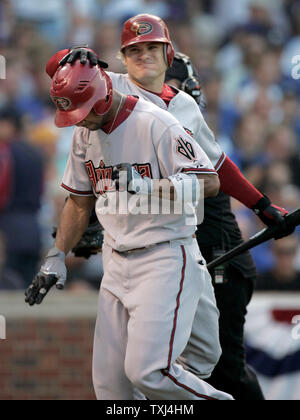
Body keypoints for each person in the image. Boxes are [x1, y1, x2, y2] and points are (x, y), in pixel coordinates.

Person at [45, 14, 289, 399]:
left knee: (207, 366)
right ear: (122, 58)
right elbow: (72, 81)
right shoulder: (111, 90)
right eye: (134, 50)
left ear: (168, 52)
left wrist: (261, 204)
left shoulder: (181, 109)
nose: (144, 56)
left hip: (189, 239)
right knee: (124, 384)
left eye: (153, 48)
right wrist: (74, 55)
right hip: (134, 245)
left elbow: (216, 169)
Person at [25, 60, 234, 401]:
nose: (79, 122)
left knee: (150, 372)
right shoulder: (84, 131)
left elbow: (209, 182)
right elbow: (78, 202)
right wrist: (56, 256)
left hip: (164, 254)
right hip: (115, 259)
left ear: (103, 97)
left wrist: (149, 186)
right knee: (111, 390)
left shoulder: (156, 122)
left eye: (83, 112)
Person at [0, 108, 44, 288]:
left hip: (9, 228)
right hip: (33, 228)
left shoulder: (6, 152)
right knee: (28, 288)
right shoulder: (35, 153)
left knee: (8, 288)